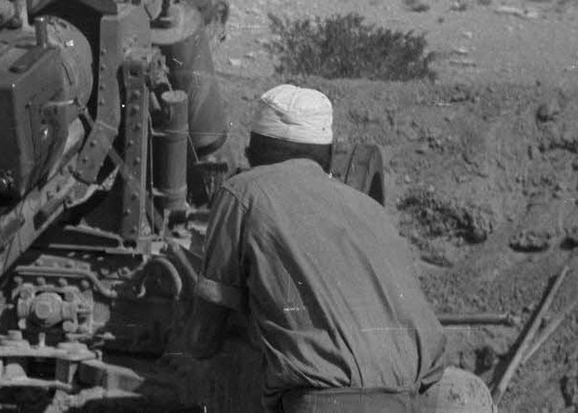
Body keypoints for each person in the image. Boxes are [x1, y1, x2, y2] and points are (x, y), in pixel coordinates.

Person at [184, 83, 451, 412]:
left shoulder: (243, 192)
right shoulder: (370, 210)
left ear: (252, 151)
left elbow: (203, 338)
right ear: (329, 156)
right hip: (418, 397)